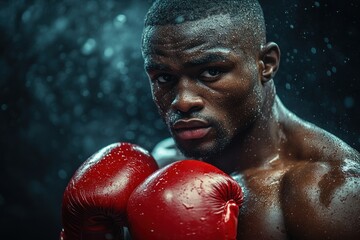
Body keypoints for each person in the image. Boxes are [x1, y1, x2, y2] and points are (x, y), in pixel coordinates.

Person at [143, 0, 360, 239]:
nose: (182, 101)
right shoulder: (161, 165)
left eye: (211, 72)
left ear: (267, 64)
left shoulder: (331, 192)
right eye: (164, 78)